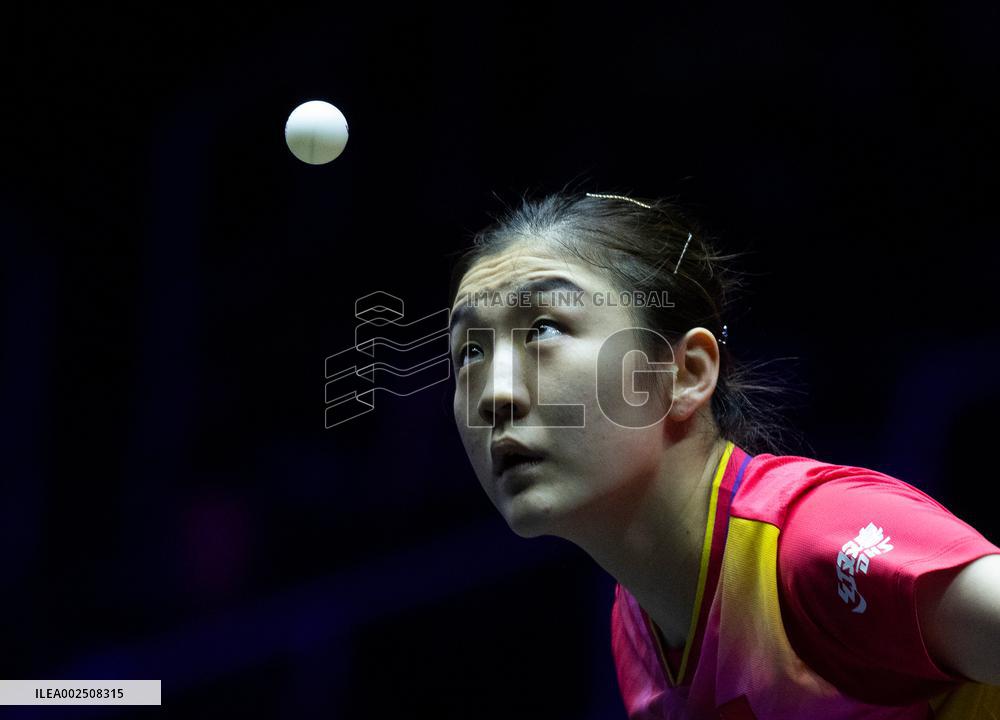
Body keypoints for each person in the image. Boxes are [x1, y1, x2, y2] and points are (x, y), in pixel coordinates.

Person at [447, 189, 1000, 719]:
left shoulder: (813, 546)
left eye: (544, 328)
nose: (494, 394)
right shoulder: (640, 626)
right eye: (469, 352)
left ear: (685, 373)